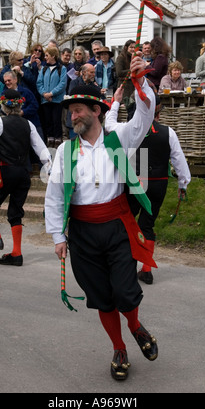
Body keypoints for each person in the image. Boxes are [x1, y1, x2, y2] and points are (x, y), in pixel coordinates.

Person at [45, 53, 159, 382]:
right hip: (81, 233)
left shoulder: (119, 138)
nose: (72, 115)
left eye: (78, 109)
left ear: (96, 110)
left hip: (117, 226)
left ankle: (135, 326)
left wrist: (139, 82)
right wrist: (58, 236)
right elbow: (54, 197)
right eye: (70, 110)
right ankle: (119, 347)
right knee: (102, 298)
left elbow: (144, 116)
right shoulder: (65, 152)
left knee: (125, 293)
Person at [105, 96, 191, 285]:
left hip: (136, 180)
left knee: (128, 223)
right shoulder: (168, 132)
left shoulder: (125, 130)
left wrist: (115, 102)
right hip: (158, 183)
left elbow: (109, 123)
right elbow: (179, 160)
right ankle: (146, 269)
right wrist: (182, 184)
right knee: (147, 224)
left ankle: (126, 266)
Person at [0, 77, 51, 266]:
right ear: (19, 105)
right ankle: (17, 254)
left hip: (5, 172)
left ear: (3, 105)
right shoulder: (28, 125)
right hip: (24, 174)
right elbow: (42, 150)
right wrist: (50, 169)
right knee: (15, 212)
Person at [37, 46, 67, 148]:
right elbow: (39, 83)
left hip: (57, 100)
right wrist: (44, 93)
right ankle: (49, 141)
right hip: (45, 100)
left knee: (56, 121)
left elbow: (62, 84)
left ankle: (58, 141)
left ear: (53, 56)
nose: (45, 57)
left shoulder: (62, 68)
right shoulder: (43, 69)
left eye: (47, 55)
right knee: (48, 121)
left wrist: (52, 93)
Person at [115, 40, 136, 106]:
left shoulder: (135, 58)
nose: (133, 49)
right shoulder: (121, 57)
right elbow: (119, 72)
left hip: (133, 87)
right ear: (126, 48)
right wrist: (132, 70)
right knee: (125, 108)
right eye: (131, 47)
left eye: (134, 48)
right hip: (124, 88)